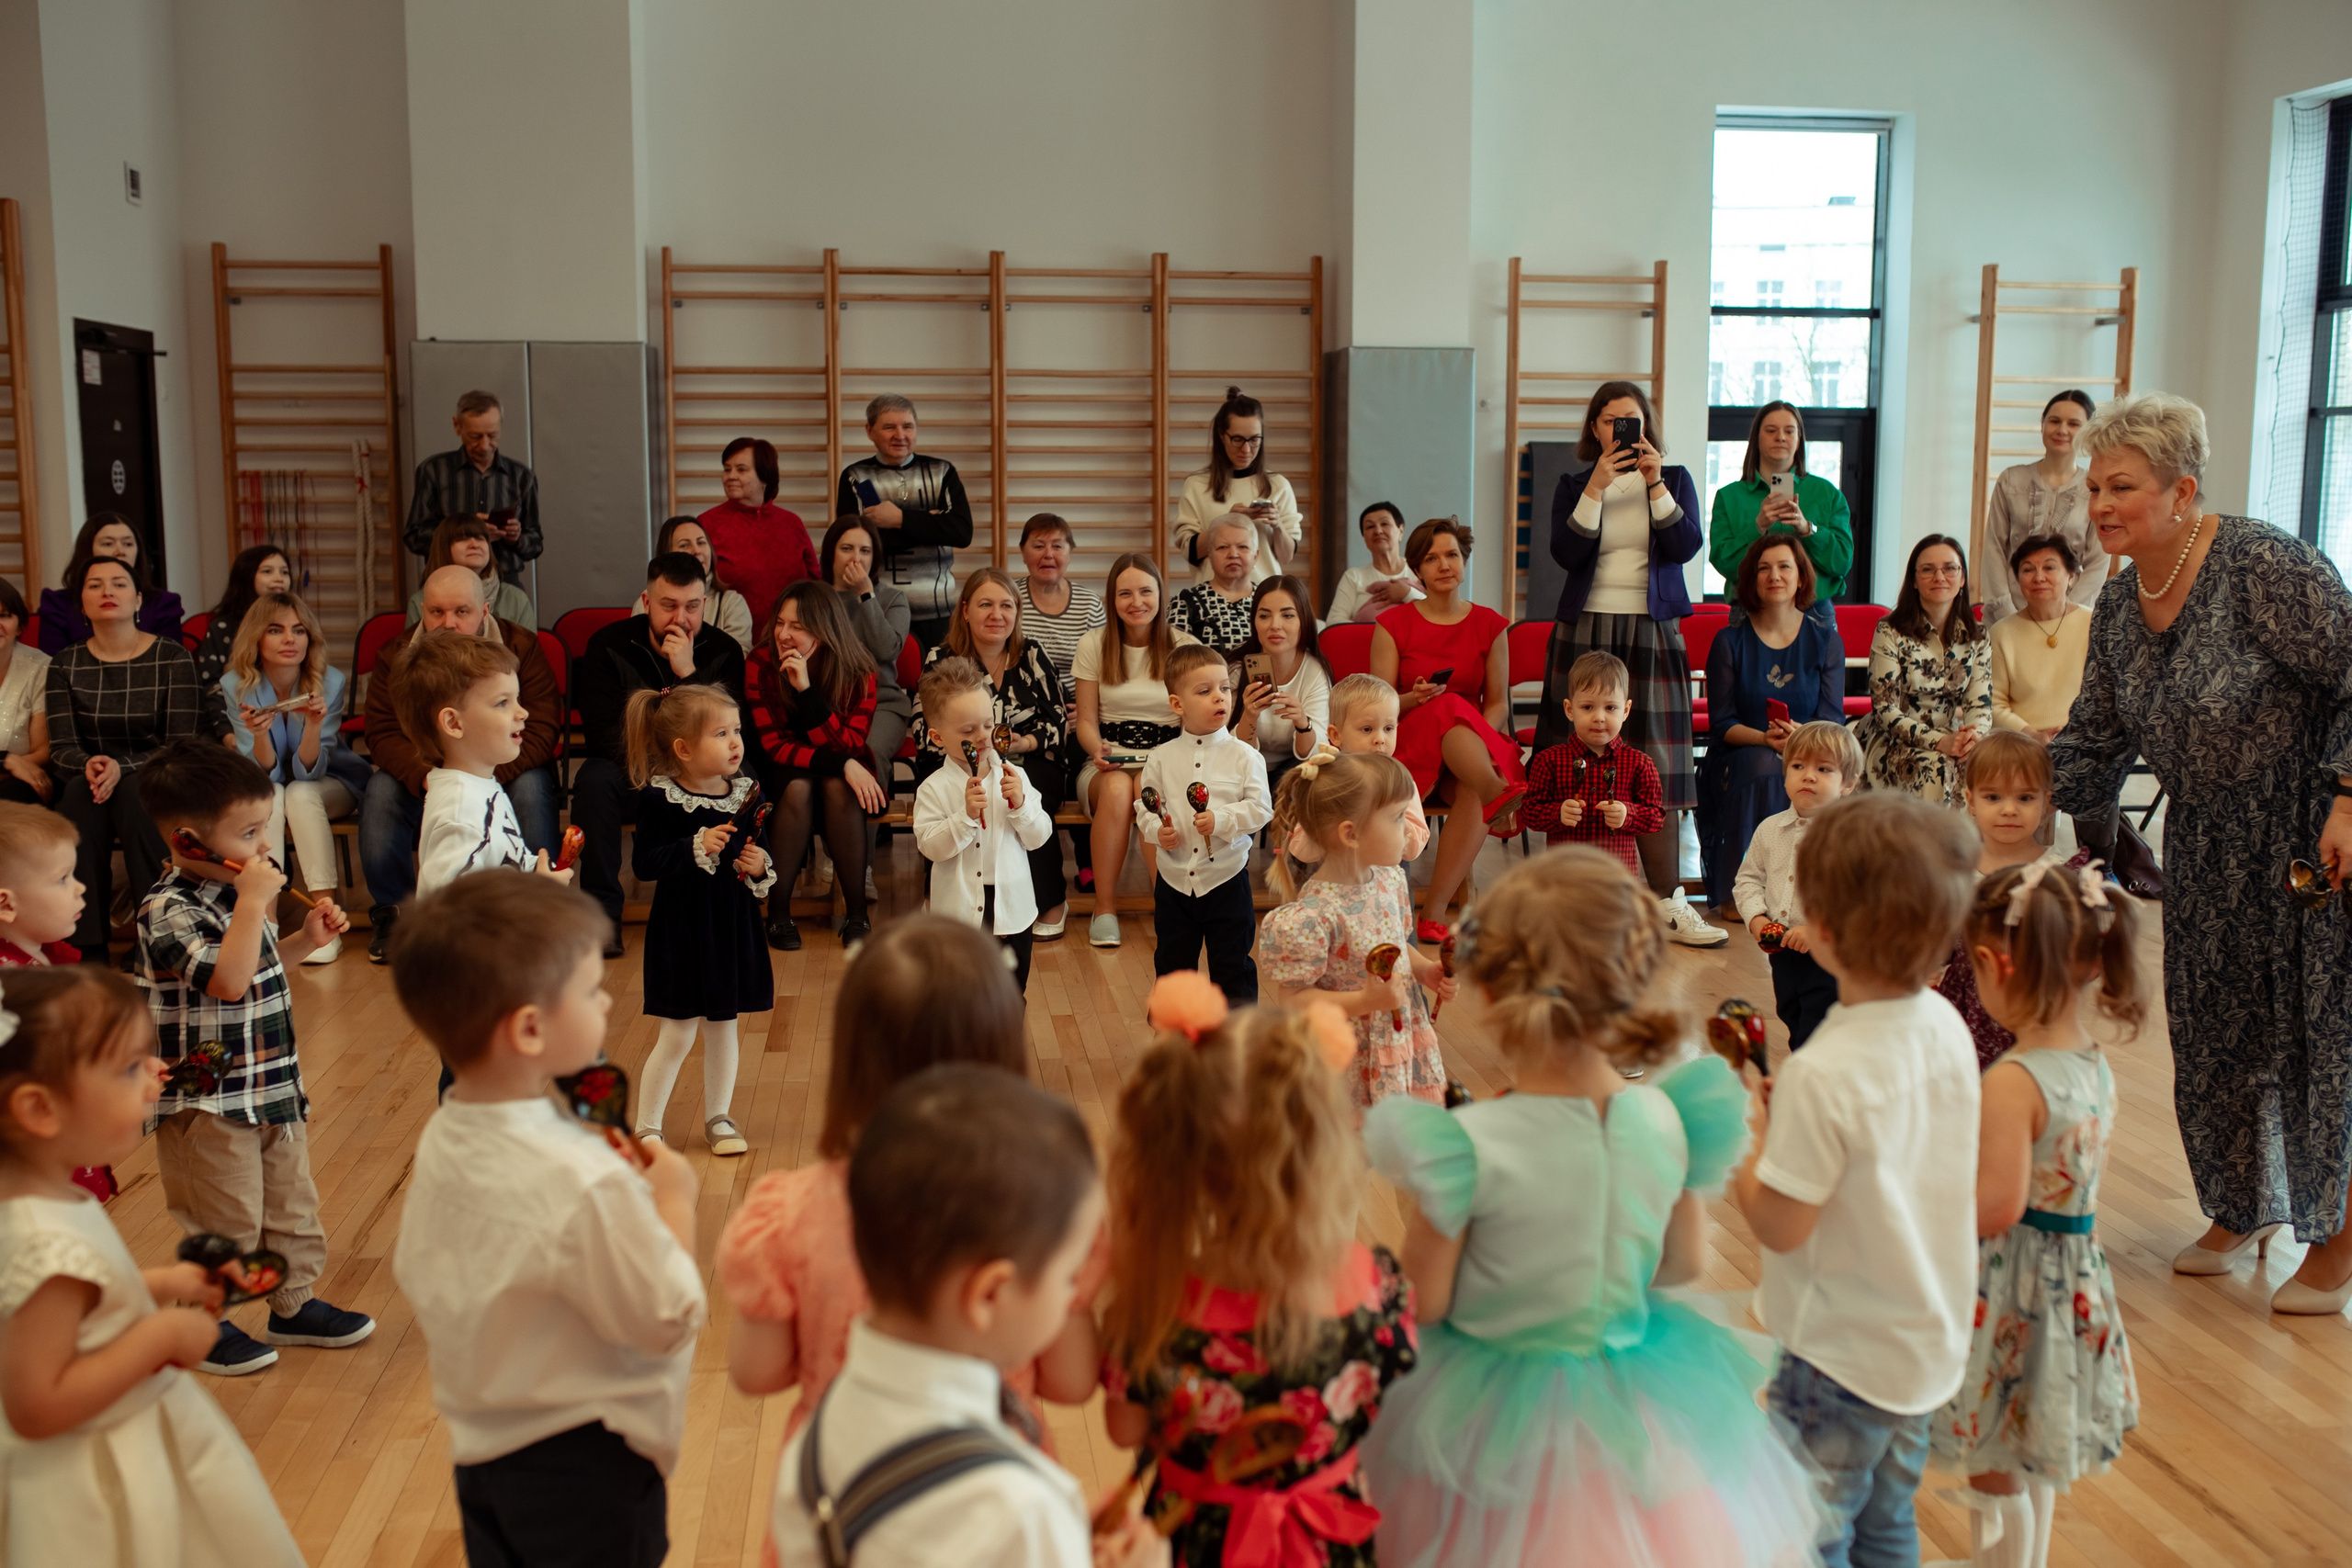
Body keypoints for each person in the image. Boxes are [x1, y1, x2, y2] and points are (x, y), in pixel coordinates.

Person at [1361, 848, 1820, 1567]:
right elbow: (1682, 1263)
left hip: (1489, 1414)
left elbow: (1425, 1299)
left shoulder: (1468, 1143)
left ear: (1495, 991)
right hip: (1633, 1395)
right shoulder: (1669, 1119)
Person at [2050, 391, 2352, 1314]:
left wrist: (2348, 794)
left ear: (2181, 491)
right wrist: (2014, 792)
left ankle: (2335, 1237)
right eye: (2094, 487)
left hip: (2308, 837)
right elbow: (2093, 738)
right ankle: (2240, 1205)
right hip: (2209, 838)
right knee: (2214, 1030)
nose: (2100, 505)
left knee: (2311, 1037)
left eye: (2122, 487)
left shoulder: (2261, 562)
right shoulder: (2115, 601)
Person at [389, 871, 704, 1568]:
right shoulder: (580, 1180)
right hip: (587, 1463)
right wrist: (676, 1201)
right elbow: (664, 1318)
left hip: (483, 1445)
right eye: (592, 990)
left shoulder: (446, 1133)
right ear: (531, 1028)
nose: (607, 999)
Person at [716, 916, 1090, 1454]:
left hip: (842, 1493)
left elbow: (757, 1372)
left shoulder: (790, 1212)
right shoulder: (1040, 1206)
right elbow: (1071, 1381)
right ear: (1002, 1052)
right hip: (995, 1489)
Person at [1731, 791, 1981, 1567]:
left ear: (1824, 935)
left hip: (1837, 1355)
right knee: (1887, 1520)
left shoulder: (1823, 1070)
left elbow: (1780, 1224)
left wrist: (1755, 1146)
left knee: (1808, 1532)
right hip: (1925, 1343)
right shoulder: (1945, 1026)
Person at [772, 1066, 1145, 1568]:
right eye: (1067, 1277)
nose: (1072, 1296)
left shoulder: (809, 1451)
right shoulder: (1021, 1510)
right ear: (989, 1294)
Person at [1102, 976, 1417, 1565]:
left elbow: (1124, 1430)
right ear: (1320, 1147)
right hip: (1332, 1538)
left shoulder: (1154, 1300)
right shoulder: (1377, 1289)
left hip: (1195, 1542)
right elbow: (1393, 1411)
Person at [0, 964, 307, 1565]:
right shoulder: (39, 1237)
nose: (158, 1072)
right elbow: (37, 1403)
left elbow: (74, 1310)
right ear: (39, 1108)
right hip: (94, 1471)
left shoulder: (50, 1200)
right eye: (127, 1067)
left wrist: (161, 1283)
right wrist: (159, 1335)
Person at [134, 738, 369, 1377]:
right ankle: (198, 1320)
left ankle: (293, 1304)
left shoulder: (242, 898)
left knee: (292, 1205)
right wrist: (251, 905)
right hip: (207, 1101)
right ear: (190, 842)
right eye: (248, 832)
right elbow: (226, 981)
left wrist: (300, 940)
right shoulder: (168, 908)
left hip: (269, 1086)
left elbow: (262, 973)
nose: (264, 844)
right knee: (226, 1219)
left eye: (263, 827)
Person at [1932, 862, 2143, 1568]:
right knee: (2031, 1451)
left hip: (2015, 1289)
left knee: (1994, 1460)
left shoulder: (2013, 1079)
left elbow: (1995, 1203)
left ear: (1992, 964)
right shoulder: (2090, 1061)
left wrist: (1927, 1209)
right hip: (2071, 1280)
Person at [1533, 382, 1715, 944]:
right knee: (1574, 758)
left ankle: (1667, 904)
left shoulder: (1675, 478)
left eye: (1630, 421)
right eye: (1611, 422)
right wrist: (1597, 487)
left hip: (1652, 627)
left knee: (1654, 763)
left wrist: (1655, 481)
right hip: (1586, 624)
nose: (1620, 431)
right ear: (1595, 428)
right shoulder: (1574, 483)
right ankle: (1567, 903)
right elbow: (1566, 553)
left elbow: (1686, 545)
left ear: (1646, 424)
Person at [357, 566, 564, 960]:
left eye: (461, 612)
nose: (447, 624)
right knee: (379, 790)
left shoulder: (517, 647)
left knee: (533, 785)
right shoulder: (457, 815)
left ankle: (540, 910)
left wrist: (538, 877)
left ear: (484, 611)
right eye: (436, 612)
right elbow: (383, 733)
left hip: (489, 769)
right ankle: (394, 914)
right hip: (473, 969)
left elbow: (540, 726)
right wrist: (429, 774)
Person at [623, 683, 773, 1156]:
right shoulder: (660, 799)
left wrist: (759, 867)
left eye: (737, 731)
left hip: (731, 926)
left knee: (724, 1026)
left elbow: (758, 855)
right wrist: (693, 846)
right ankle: (648, 1127)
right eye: (721, 734)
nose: (735, 743)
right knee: (678, 1031)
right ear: (683, 750)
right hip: (682, 931)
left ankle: (719, 1117)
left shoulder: (747, 793)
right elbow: (645, 863)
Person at [571, 553, 748, 952]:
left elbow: (732, 729)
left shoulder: (723, 650)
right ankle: (602, 916)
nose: (680, 619)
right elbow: (600, 734)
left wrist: (689, 674)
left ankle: (737, 900)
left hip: (702, 772)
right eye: (668, 606)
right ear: (647, 602)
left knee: (747, 772)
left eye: (692, 606)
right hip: (633, 770)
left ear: (705, 603)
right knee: (594, 780)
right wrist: (660, 768)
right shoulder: (608, 644)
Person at [1261, 748, 1453, 1107]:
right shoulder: (1314, 916)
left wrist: (1425, 971)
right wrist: (1365, 1001)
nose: (1409, 828)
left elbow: (1394, 948)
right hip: (1346, 1058)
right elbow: (1293, 1001)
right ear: (1351, 834)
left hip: (1398, 1037)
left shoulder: (1391, 881)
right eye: (1398, 818)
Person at [1371, 518, 1525, 943]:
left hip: (1469, 754)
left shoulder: (1491, 625)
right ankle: (1499, 790)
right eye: (1431, 558)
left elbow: (1497, 704)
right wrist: (1413, 698)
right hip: (1410, 743)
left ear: (1464, 560)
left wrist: (1474, 731)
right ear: (1417, 570)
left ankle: (1434, 912)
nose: (1444, 565)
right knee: (1447, 703)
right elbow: (1379, 703)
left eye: (1452, 555)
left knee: (1460, 724)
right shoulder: (1393, 624)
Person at [44, 556, 199, 961]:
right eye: (95, 585)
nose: (107, 592)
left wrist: (121, 767)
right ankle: (85, 944)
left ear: (138, 600)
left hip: (160, 772)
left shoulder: (172, 657)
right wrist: (90, 765)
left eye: (118, 583)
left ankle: (157, 939)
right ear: (81, 604)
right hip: (90, 776)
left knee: (134, 794)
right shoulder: (65, 663)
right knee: (79, 797)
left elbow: (180, 742)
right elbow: (61, 747)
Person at [1695, 536, 1848, 912]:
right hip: (1742, 753)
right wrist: (1765, 738)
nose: (1774, 576)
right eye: (1764, 568)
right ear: (1751, 579)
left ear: (1801, 578)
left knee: (1803, 770)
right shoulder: (1728, 642)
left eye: (1784, 567)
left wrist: (1801, 740)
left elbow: (1832, 719)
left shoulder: (1826, 641)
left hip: (1811, 751)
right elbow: (1722, 723)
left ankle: (1806, 895)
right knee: (1765, 764)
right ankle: (1742, 895)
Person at [917, 570, 1069, 934]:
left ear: (1017, 612)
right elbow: (924, 729)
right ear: (966, 610)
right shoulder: (942, 656)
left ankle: (1044, 898)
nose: (996, 614)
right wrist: (968, 742)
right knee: (945, 793)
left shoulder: (1031, 653)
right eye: (986, 604)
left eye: (1006, 605)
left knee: (1035, 792)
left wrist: (1023, 743)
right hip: (956, 759)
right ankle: (944, 893)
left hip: (1026, 756)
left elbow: (1058, 721)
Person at [218, 593, 368, 953]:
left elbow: (310, 773)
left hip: (332, 782)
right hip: (270, 788)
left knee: (299, 793)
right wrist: (257, 735)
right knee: (272, 794)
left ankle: (325, 917)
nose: (290, 639)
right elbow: (262, 776)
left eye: (299, 631)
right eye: (276, 630)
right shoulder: (235, 684)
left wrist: (314, 726)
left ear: (309, 638)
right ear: (256, 637)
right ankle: (265, 924)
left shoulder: (329, 681)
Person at [748, 580, 883, 950]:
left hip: (837, 768)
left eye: (798, 626)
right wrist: (845, 765)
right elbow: (775, 746)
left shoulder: (859, 668)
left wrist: (807, 692)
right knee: (799, 787)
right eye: (780, 622)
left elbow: (850, 743)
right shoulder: (760, 662)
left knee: (838, 788)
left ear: (824, 632)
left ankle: (857, 915)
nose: (783, 634)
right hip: (783, 772)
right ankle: (778, 914)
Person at [1072, 554, 1199, 949]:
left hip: (1166, 762)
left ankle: (1169, 909)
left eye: (1145, 591)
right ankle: (1105, 908)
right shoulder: (1094, 643)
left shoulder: (1183, 645)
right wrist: (1098, 750)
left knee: (1149, 786)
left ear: (1161, 595)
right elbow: (1087, 721)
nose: (1136, 601)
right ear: (1112, 599)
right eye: (1124, 593)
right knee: (1114, 789)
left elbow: (1194, 719)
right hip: (1107, 761)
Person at [1134, 646, 1272, 1001]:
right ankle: (1175, 1042)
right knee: (1172, 967)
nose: (1219, 698)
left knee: (1233, 967)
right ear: (1178, 705)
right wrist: (1156, 831)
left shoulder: (1245, 756)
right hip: (1175, 883)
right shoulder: (1161, 758)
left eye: (1225, 688)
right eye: (1205, 691)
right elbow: (1146, 807)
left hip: (1226, 880)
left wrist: (1223, 819)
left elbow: (1260, 810)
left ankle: (1236, 1045)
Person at [400, 632, 572, 909]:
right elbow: (453, 915)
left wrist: (538, 872)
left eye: (517, 699)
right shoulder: (458, 814)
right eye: (502, 702)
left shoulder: (481, 784)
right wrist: (533, 893)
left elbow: (504, 861)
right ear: (454, 724)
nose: (522, 713)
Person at [1935, 734, 2073, 1073]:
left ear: (2046, 802)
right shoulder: (1957, 869)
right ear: (1970, 800)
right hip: (1962, 1006)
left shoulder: (2056, 874)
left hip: (2033, 1011)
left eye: (2025, 797)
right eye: (1993, 796)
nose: (2009, 809)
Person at [913, 660, 1054, 992]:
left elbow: (1038, 838)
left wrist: (1020, 806)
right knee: (958, 995)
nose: (982, 736)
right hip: (958, 913)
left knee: (1010, 993)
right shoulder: (933, 788)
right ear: (937, 736)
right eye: (966, 731)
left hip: (1012, 906)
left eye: (988, 724)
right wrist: (964, 818)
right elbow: (931, 847)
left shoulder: (1015, 777)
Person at [0, 806, 115, 1204]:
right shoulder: (11, 984)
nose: (80, 888)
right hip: (30, 1173)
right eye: (62, 879)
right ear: (5, 903)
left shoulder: (49, 956)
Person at [1734, 720, 1865, 1052]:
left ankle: (1813, 1084)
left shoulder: (1850, 836)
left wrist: (1821, 929)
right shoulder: (1769, 829)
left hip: (1831, 954)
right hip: (1781, 949)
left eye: (1824, 769)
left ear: (1847, 784)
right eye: (1798, 766)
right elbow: (1749, 879)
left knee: (1817, 1026)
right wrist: (1756, 919)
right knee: (1790, 1011)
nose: (1808, 775)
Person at [1014, 513, 1104, 923]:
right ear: (1023, 552)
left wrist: (1085, 708)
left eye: (1057, 545)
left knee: (1085, 758)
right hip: (1028, 713)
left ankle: (1088, 861)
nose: (1048, 554)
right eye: (1038, 545)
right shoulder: (1011, 598)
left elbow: (1103, 664)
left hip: (1078, 706)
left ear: (1070, 552)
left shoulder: (1088, 604)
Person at [1858, 534, 1991, 807]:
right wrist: (1938, 742)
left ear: (1962, 578)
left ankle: (1970, 850)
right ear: (1914, 581)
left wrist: (1972, 737)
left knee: (1983, 767)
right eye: (1927, 570)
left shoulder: (1977, 636)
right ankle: (1927, 849)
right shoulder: (1890, 631)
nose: (1939, 576)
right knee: (1935, 769)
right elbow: (1885, 711)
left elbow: (1980, 704)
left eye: (1950, 568)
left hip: (1953, 737)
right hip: (1892, 738)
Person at [833, 397, 973, 649]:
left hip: (937, 611)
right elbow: (868, 544)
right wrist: (931, 523)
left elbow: (962, 533)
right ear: (870, 431)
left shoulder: (942, 472)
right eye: (889, 427)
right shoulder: (859, 478)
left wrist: (899, 519)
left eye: (908, 426)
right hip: (879, 608)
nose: (900, 435)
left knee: (938, 686)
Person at [1707, 400, 1854, 633]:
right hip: (1750, 610)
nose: (1781, 437)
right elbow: (1724, 563)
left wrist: (1808, 529)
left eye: (1789, 430)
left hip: (1813, 611)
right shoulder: (1729, 497)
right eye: (1771, 430)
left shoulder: (1826, 494)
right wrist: (1758, 527)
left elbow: (1842, 562)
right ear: (1757, 438)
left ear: (1799, 440)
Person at [1520, 650, 1664, 875]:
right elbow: (1529, 812)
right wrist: (1557, 813)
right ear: (1570, 709)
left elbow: (1656, 817)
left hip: (1617, 881)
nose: (1599, 717)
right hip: (1564, 878)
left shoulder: (1640, 763)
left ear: (1625, 710)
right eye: (1588, 707)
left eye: (1610, 708)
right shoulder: (1548, 761)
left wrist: (1628, 815)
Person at [1979, 389, 2109, 624]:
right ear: (2042, 425)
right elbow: (1994, 548)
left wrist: (2067, 613)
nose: (2062, 430)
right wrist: (2006, 610)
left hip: (2068, 618)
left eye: (2073, 424)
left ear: (2088, 432)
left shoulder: (2095, 488)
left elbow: (2098, 561)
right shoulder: (2011, 480)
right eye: (2055, 421)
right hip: (2010, 613)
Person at [401, 389, 540, 585]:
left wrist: (516, 538)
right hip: (447, 583)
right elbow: (414, 536)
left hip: (504, 584)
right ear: (457, 426)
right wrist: (464, 533)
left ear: (500, 427)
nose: (484, 445)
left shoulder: (521, 476)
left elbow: (535, 544)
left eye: (492, 435)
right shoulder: (433, 470)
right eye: (475, 436)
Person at [1172, 386, 1299, 588]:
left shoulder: (1279, 485)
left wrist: (1278, 526)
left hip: (1264, 599)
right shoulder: (1197, 485)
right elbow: (1189, 551)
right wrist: (1226, 523)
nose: (1247, 449)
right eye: (1238, 439)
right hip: (1211, 600)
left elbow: (1286, 557)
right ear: (1222, 436)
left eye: (1255, 440)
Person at [821, 514, 912, 780]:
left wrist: (865, 595)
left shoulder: (892, 598)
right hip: (827, 702)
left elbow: (887, 651)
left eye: (865, 551)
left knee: (867, 754)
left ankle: (870, 821)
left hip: (882, 704)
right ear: (832, 553)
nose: (856, 558)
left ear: (875, 557)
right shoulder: (814, 597)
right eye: (846, 548)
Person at [699, 438, 818, 635]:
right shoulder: (706, 524)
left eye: (741, 469)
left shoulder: (792, 523)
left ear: (765, 477)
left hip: (791, 639)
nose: (731, 476)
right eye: (727, 469)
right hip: (730, 642)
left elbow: (815, 583)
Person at [1231, 572, 1331, 789]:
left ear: (1303, 621)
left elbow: (1316, 752)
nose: (1275, 625)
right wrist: (1249, 715)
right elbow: (1232, 750)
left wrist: (1302, 724)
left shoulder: (1314, 671)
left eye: (1287, 615)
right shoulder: (1236, 670)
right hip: (1243, 769)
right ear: (1254, 622)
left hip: (1294, 769)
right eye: (1264, 616)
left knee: (1299, 784)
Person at [1988, 536, 2093, 741]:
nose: (2039, 577)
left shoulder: (2093, 623)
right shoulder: (2002, 632)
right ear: (2018, 580)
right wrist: (2033, 735)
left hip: (2085, 742)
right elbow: (1993, 704)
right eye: (2027, 570)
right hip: (2022, 744)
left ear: (2071, 576)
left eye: (2050, 568)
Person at [35, 513, 186, 654]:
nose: (120, 551)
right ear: (87, 550)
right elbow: (52, 665)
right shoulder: (57, 603)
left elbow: (173, 664)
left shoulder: (164, 603)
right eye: (108, 544)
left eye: (128, 544)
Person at [189, 542, 291, 740]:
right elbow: (212, 687)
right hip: (233, 722)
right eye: (268, 571)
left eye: (285, 572)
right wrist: (226, 732)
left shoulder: (297, 624)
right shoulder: (223, 628)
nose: (279, 578)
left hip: (287, 721)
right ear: (246, 576)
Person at [640, 514, 755, 650]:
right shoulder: (647, 601)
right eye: (684, 545)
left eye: (701, 542)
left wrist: (687, 667)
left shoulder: (732, 603)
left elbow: (737, 660)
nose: (696, 551)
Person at [406, 515, 535, 627]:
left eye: (481, 538)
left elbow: (529, 653)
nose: (474, 544)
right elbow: (415, 654)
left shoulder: (515, 598)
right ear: (443, 548)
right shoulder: (420, 601)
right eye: (462, 538)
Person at [1168, 513, 1260, 653]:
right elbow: (1175, 660)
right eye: (1223, 547)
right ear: (1209, 555)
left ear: (1256, 555)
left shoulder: (1268, 599)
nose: (1233, 554)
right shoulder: (1185, 602)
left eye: (1243, 547)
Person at [1326, 500, 1423, 625]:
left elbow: (1438, 612)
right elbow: (1334, 622)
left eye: (1385, 524)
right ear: (1364, 538)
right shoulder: (1354, 577)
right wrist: (1377, 633)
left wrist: (1407, 593)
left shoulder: (1419, 571)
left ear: (1401, 531)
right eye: (1370, 526)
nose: (1378, 531)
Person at [0, 577, 52, 804]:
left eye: (3, 615)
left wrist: (10, 766)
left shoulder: (42, 667)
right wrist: (6, 760)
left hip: (18, 781)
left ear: (20, 624)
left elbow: (43, 751)